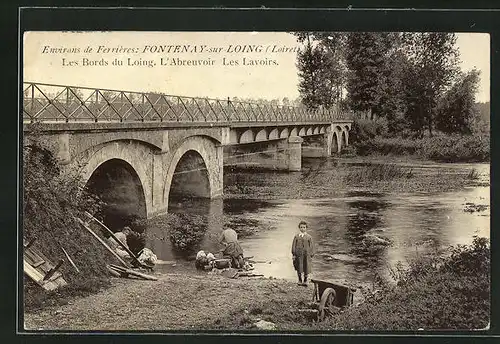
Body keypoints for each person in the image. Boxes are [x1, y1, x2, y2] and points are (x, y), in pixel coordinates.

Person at [291, 221, 314, 286]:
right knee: (299, 267)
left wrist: (311, 254)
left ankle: (305, 280)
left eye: (304, 227)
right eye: (301, 227)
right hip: (298, 255)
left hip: (306, 255)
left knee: (306, 267)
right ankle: (300, 279)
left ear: (306, 228)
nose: (302, 229)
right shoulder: (296, 236)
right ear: (299, 228)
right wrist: (294, 254)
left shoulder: (309, 237)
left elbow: (311, 246)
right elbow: (293, 245)